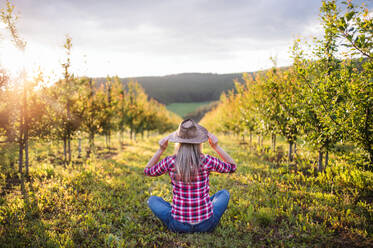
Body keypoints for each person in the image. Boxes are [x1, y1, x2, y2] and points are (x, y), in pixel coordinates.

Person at [144, 119, 236, 233]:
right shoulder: (206, 160)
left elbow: (147, 171)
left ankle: (178, 210)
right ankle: (201, 210)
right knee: (224, 194)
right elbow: (232, 167)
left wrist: (160, 150)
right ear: (199, 142)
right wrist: (216, 146)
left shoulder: (170, 161)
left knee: (152, 200)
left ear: (179, 142)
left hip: (178, 225)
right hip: (206, 224)